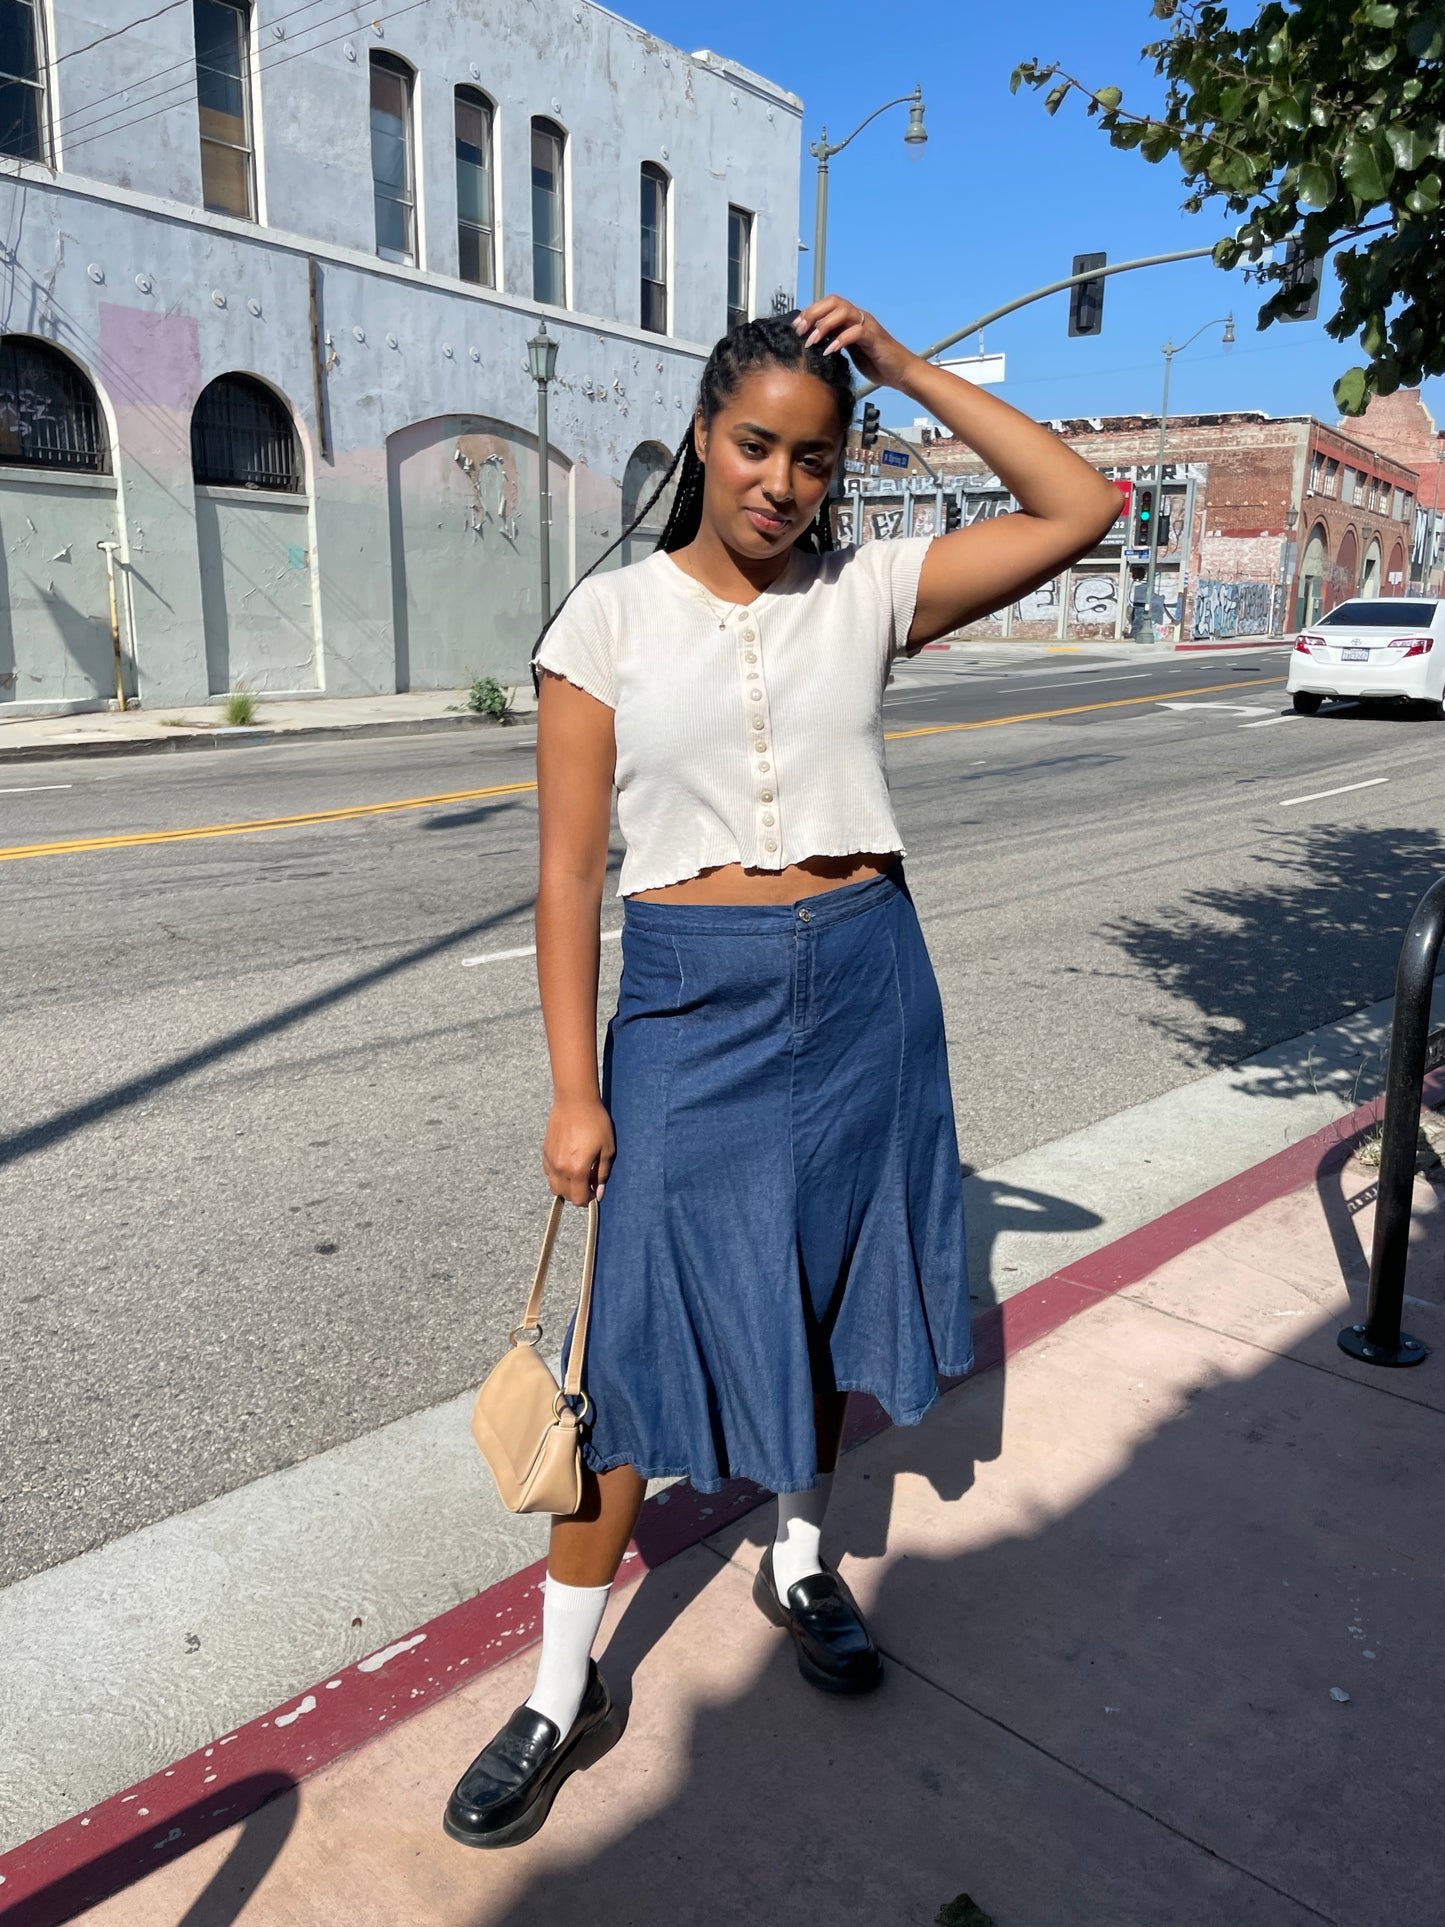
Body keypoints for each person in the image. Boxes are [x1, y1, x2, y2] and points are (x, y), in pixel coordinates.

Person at [443, 298, 1122, 1849]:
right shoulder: (603, 621)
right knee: (627, 1352)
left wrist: (894, 367)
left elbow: (1081, 505)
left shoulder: (869, 590)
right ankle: (561, 1690)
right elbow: (562, 879)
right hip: (689, 1008)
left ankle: (802, 1561)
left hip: (868, 979)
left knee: (816, 1305)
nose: (781, 483)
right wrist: (572, 1083)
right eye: (755, 444)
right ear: (701, 435)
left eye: (814, 459)